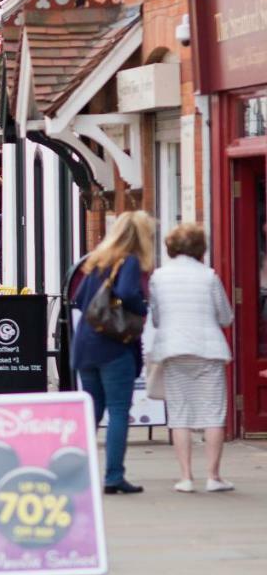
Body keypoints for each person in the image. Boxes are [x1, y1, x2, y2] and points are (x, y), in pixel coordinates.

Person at [146, 223, 234, 493]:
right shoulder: (209, 276)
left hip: (173, 350)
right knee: (213, 414)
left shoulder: (158, 277)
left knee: (180, 415)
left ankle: (185, 477)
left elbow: (157, 317)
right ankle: (213, 477)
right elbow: (225, 317)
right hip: (208, 351)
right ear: (200, 248)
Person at [72, 210, 155, 495]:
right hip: (112, 346)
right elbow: (128, 292)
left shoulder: (97, 260)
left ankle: (73, 472)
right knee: (119, 410)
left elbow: (80, 300)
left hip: (85, 344)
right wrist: (145, 310)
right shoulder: (129, 260)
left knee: (92, 412)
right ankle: (113, 476)